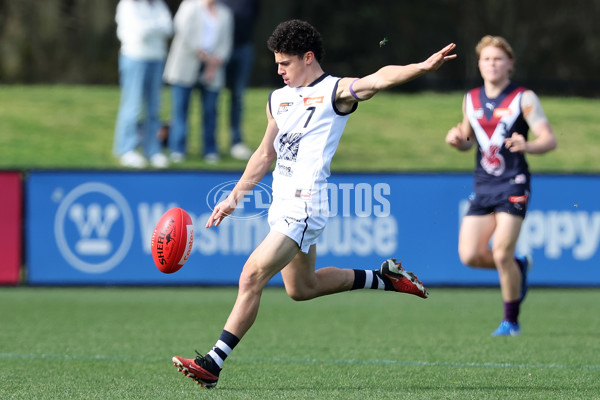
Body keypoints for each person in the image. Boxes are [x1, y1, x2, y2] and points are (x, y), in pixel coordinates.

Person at [172, 19, 456, 388]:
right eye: (276, 63)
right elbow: (263, 155)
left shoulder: (335, 91)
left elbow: (377, 78)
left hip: (306, 206)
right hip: (281, 205)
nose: (279, 70)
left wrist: (420, 67)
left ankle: (212, 363)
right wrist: (234, 197)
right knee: (301, 288)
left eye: (284, 63)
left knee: (251, 275)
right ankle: (384, 278)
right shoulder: (278, 98)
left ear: (308, 58)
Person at [445, 35, 557, 337]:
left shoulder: (524, 97)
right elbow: (469, 141)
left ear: (510, 64)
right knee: (469, 255)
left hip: (514, 182)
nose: (492, 64)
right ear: (479, 65)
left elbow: (549, 140)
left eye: (498, 59)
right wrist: (458, 141)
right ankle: (519, 269)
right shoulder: (471, 99)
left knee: (500, 253)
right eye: (486, 59)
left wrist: (528, 145)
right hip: (483, 185)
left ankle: (511, 321)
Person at [163, 0, 233, 164]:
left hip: (213, 69)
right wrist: (204, 56)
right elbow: (184, 33)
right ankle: (177, 149)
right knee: (180, 110)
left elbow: (226, 42)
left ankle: (210, 149)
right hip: (185, 65)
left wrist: (215, 61)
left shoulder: (225, 12)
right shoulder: (189, 7)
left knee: (210, 111)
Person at [113, 0, 173, 169]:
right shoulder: (127, 5)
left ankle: (152, 149)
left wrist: (151, 27)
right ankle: (127, 149)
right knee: (132, 106)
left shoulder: (158, 5)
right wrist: (156, 26)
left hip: (157, 57)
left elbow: (168, 27)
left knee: (154, 107)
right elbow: (140, 32)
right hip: (134, 57)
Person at [221, 0, 260, 161]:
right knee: (211, 96)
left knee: (238, 96)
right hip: (218, 49)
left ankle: (236, 142)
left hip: (243, 47)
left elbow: (253, 16)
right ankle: (210, 146)